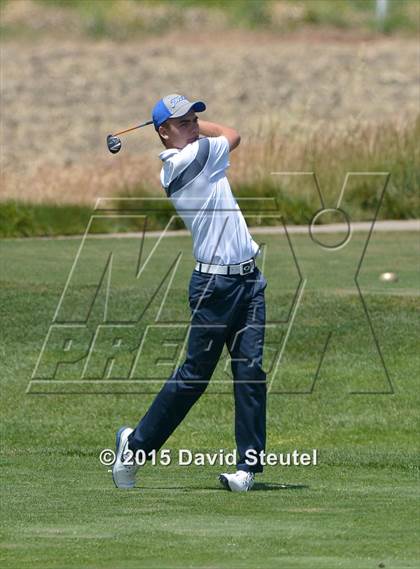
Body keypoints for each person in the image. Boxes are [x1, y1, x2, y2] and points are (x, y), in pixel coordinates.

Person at [112, 93, 268, 492]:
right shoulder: (188, 161)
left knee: (249, 373)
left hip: (249, 280)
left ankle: (246, 471)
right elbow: (234, 134)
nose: (194, 127)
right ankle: (135, 447)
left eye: (195, 119)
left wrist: (191, 123)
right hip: (214, 288)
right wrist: (207, 125)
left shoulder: (194, 149)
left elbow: (217, 136)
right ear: (162, 133)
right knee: (195, 377)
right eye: (183, 123)